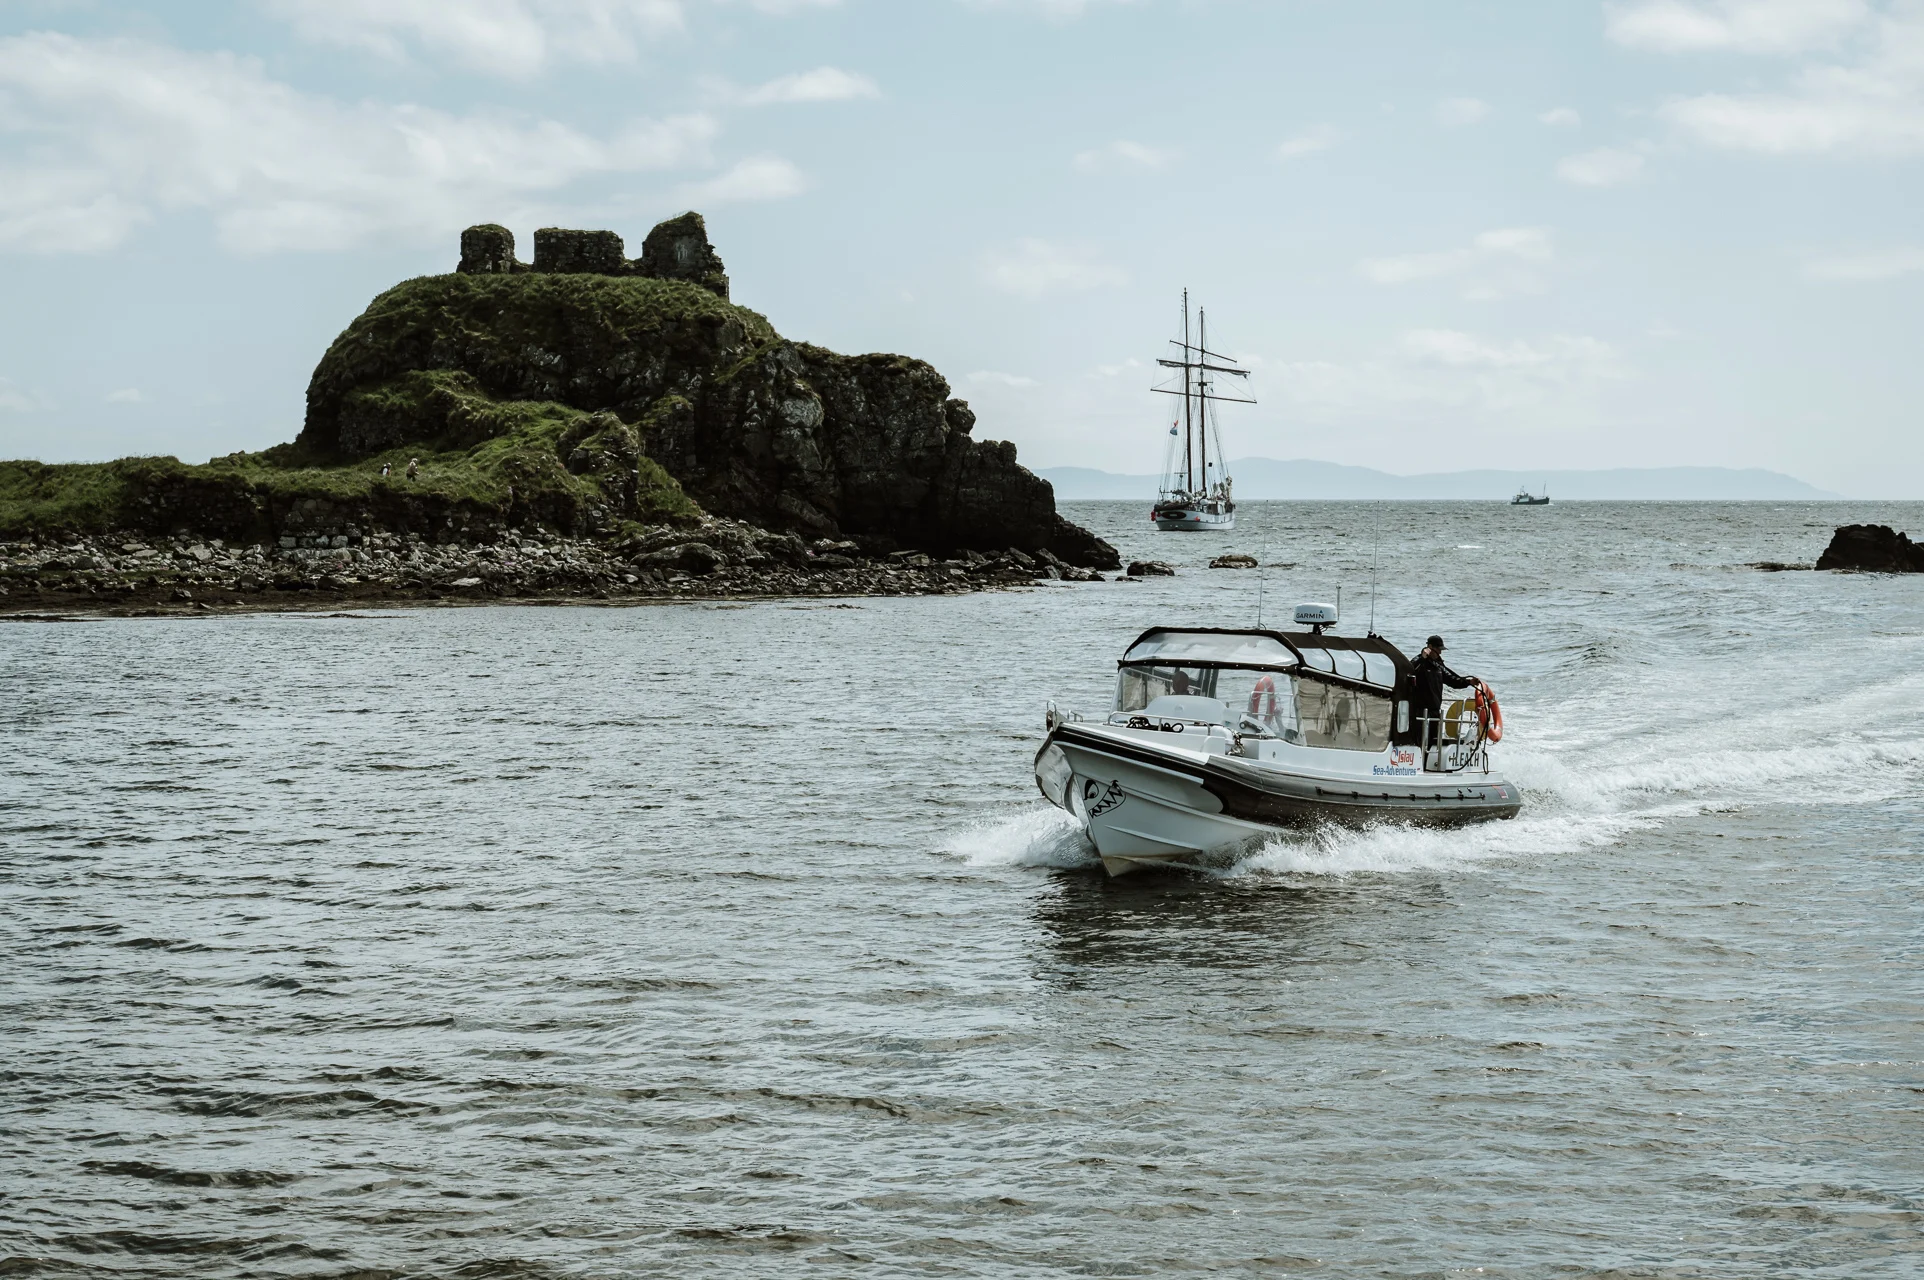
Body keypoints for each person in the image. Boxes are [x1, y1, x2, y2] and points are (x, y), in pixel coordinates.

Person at [1409, 634, 1477, 754]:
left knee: (1433, 741)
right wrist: (1423, 657)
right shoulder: (1419, 660)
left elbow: (1452, 679)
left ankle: (1429, 762)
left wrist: (1468, 682)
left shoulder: (1439, 666)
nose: (1440, 653)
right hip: (1420, 710)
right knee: (1419, 740)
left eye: (1441, 650)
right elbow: (1409, 670)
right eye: (1438, 649)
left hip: (1435, 709)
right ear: (1430, 647)